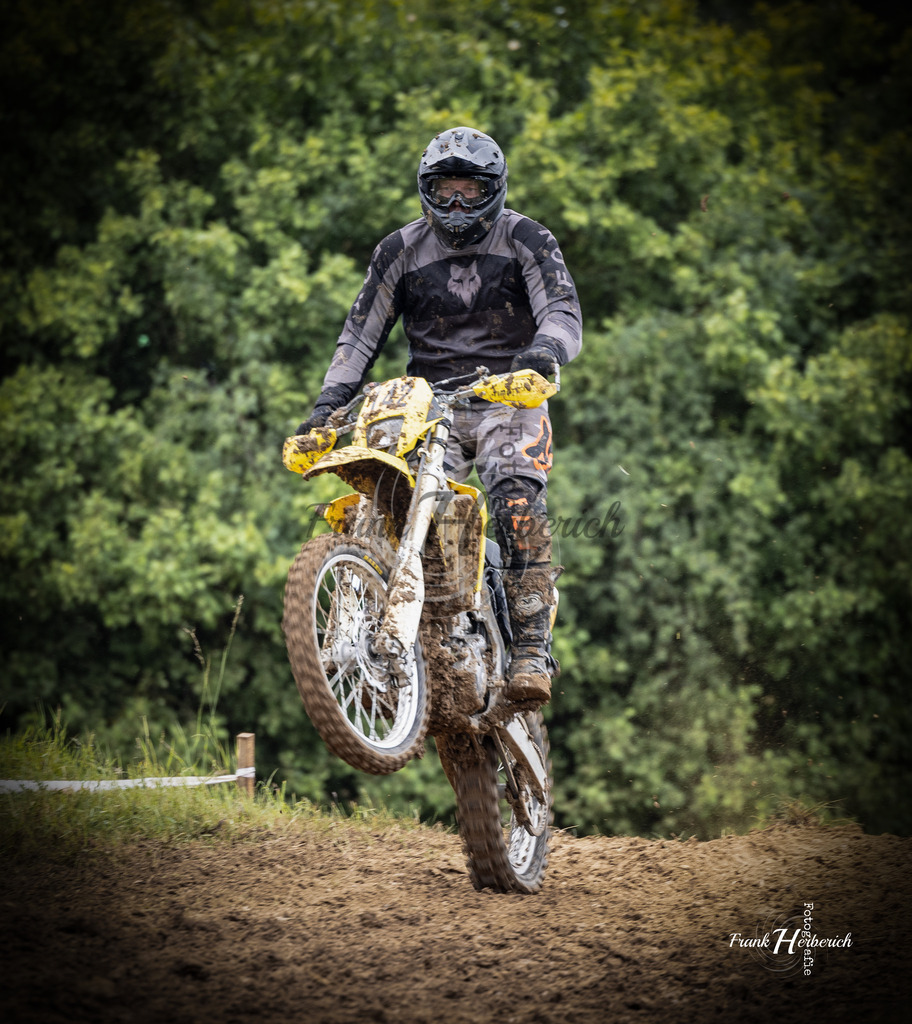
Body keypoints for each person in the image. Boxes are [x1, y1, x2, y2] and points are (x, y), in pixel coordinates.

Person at [295, 126, 582, 706]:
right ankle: (390, 623)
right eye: (443, 191)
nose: (455, 204)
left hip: (511, 392)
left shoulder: (527, 236)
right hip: (429, 401)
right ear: (425, 189)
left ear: (492, 190)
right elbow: (359, 334)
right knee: (385, 491)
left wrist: (546, 350)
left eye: (469, 191)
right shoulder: (399, 250)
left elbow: (562, 308)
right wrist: (328, 405)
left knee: (514, 489)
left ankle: (529, 644)